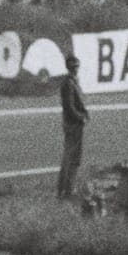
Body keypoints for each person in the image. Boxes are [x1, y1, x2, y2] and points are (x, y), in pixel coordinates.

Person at [57, 54, 89, 199]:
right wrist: (81, 117)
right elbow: (69, 107)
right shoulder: (69, 83)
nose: (76, 69)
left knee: (72, 157)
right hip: (73, 124)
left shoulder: (72, 82)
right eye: (74, 67)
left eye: (76, 66)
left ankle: (67, 188)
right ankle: (66, 190)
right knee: (71, 158)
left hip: (73, 122)